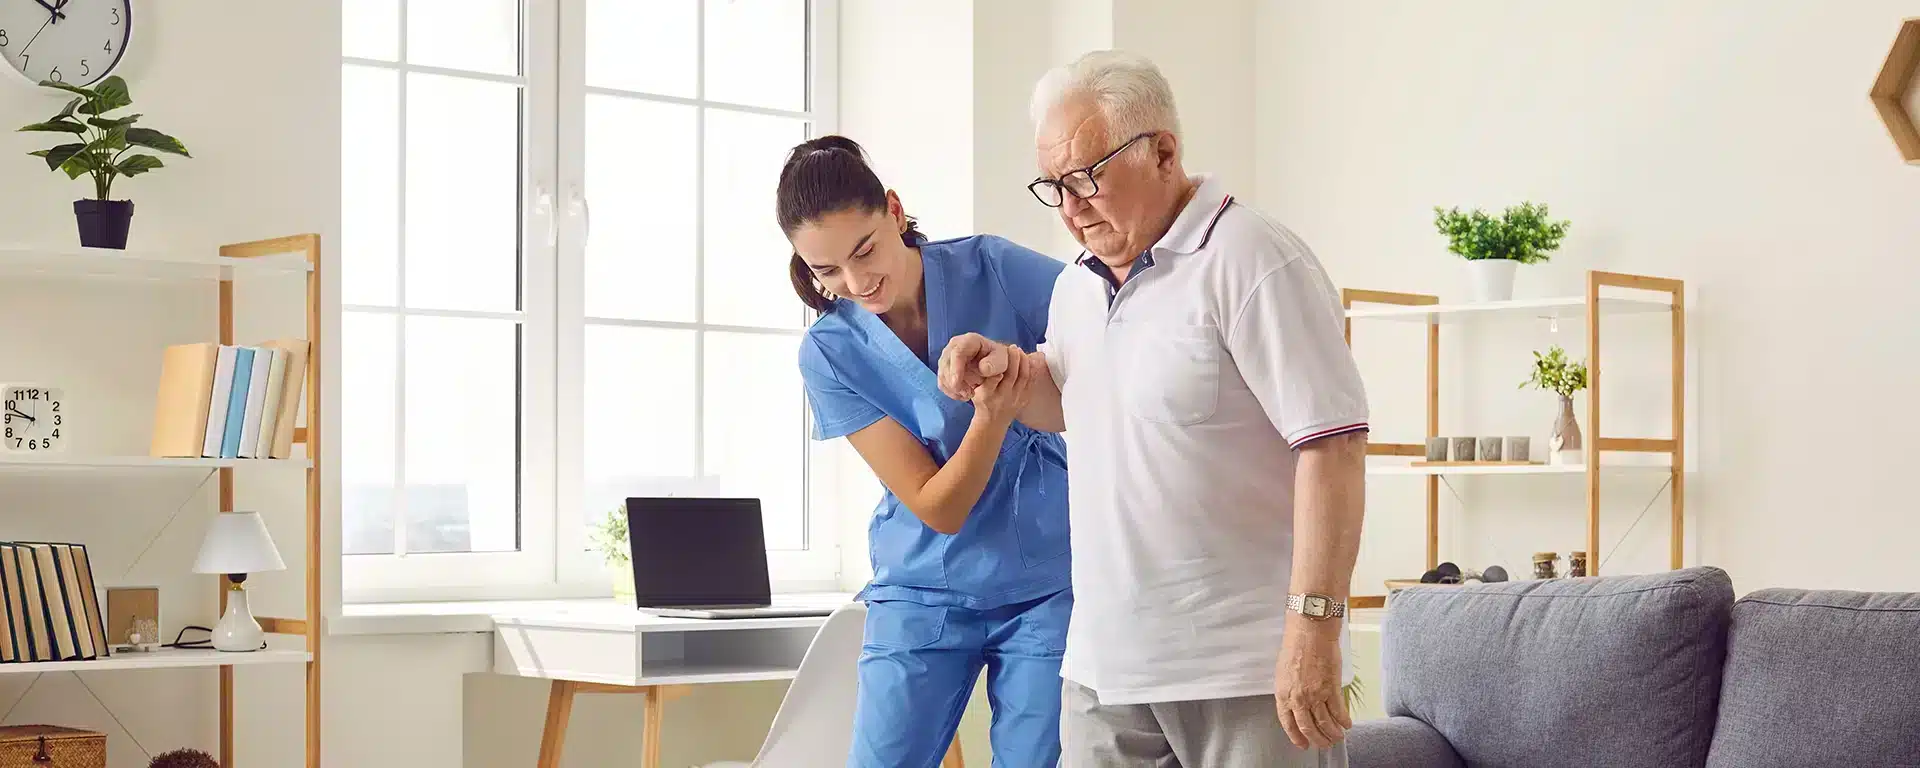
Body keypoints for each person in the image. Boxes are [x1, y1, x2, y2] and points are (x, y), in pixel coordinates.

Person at [937, 50, 1369, 767]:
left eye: (1086, 178)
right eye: (1054, 186)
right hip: (1104, 671)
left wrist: (1315, 630)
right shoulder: (1076, 286)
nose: (1071, 208)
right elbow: (1074, 399)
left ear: (1163, 151)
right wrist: (1012, 372)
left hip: (1246, 673)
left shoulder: (1254, 260)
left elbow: (1335, 447)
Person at [779, 135, 1074, 768]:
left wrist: (1025, 369)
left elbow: (1113, 327)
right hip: (922, 588)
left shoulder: (994, 267)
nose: (857, 282)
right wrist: (995, 412)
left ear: (893, 209)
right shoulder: (830, 351)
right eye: (827, 271)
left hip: (1046, 582)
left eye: (865, 250)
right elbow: (938, 508)